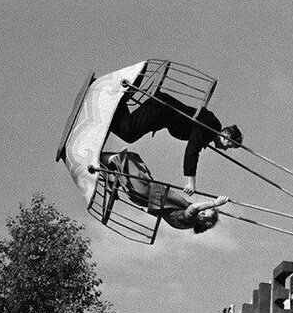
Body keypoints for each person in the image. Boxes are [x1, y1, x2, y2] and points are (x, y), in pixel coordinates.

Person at [108, 86, 242, 196]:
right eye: (229, 146)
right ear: (226, 136)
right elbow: (192, 150)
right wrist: (191, 181)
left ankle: (114, 107)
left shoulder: (210, 129)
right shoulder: (210, 128)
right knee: (129, 132)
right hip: (161, 109)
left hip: (161, 113)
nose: (225, 149)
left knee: (129, 131)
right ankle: (113, 104)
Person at [99, 151, 228, 234]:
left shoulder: (188, 220)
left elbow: (194, 207)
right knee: (132, 160)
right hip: (151, 192)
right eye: (205, 210)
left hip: (146, 194)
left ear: (204, 223)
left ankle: (100, 163)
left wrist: (215, 203)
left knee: (123, 160)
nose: (202, 211)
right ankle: (108, 176)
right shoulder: (189, 220)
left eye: (204, 213)